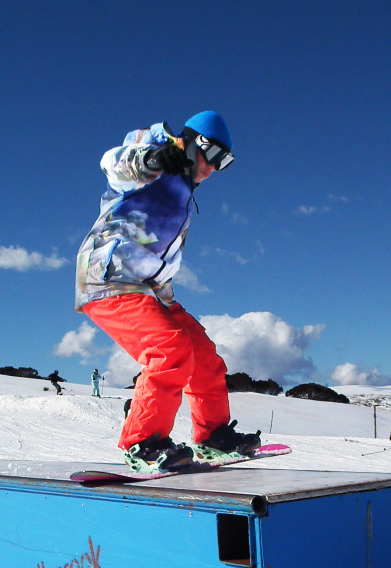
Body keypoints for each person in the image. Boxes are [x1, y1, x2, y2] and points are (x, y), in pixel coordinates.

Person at [75, 111, 260, 473]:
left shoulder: (184, 192)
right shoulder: (153, 153)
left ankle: (213, 436)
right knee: (169, 349)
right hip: (108, 279)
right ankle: (141, 442)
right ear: (193, 144)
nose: (214, 169)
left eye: (225, 163)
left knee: (202, 354)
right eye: (214, 156)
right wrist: (152, 158)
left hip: (151, 290)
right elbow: (112, 164)